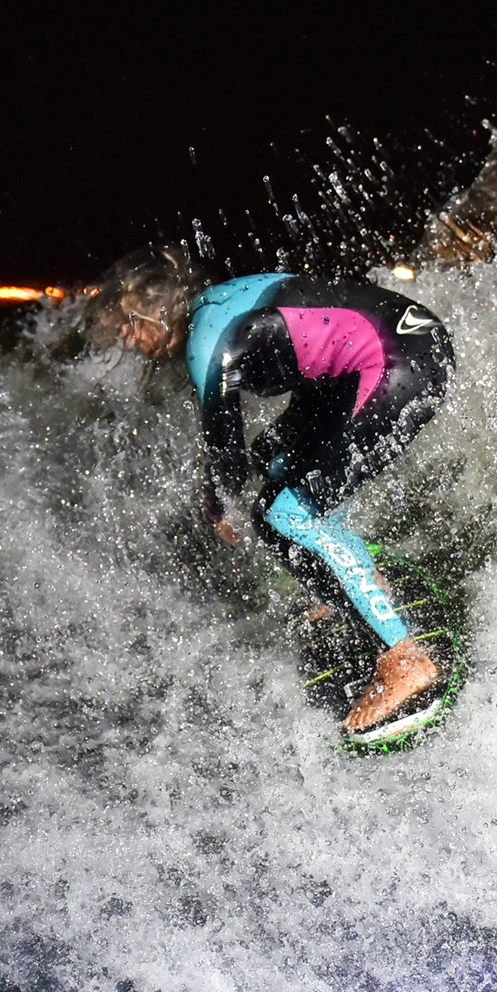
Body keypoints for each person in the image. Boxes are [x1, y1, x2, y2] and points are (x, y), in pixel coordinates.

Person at [88, 246, 455, 738]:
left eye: (131, 325)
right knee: (275, 464)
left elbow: (225, 450)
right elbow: (320, 337)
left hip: (396, 363)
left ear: (157, 308)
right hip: (401, 350)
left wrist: (217, 508)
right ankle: (353, 583)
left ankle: (404, 661)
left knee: (286, 514)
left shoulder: (206, 339)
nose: (131, 341)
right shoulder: (222, 301)